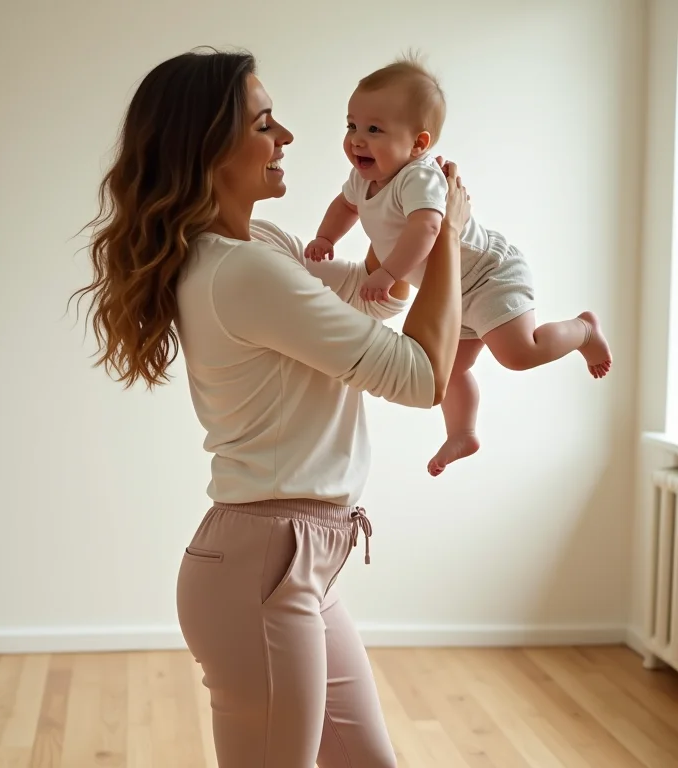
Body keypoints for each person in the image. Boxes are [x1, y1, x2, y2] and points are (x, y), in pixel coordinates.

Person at [72, 48, 469, 768]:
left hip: (301, 561)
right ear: (210, 148)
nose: (287, 136)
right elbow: (419, 377)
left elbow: (382, 292)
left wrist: (417, 220)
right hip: (266, 567)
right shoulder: (242, 271)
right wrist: (443, 230)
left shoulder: (260, 244)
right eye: (264, 122)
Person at [306, 56, 612, 477]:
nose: (357, 140)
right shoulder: (364, 178)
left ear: (418, 143)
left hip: (487, 275)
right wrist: (327, 238)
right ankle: (462, 432)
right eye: (351, 126)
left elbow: (429, 227)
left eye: (374, 130)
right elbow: (345, 205)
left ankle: (583, 330)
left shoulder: (419, 178)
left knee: (519, 354)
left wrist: (389, 272)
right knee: (449, 367)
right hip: (453, 292)